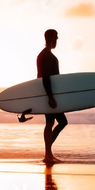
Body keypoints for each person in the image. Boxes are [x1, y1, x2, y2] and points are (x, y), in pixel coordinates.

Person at [37, 28, 67, 165]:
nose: (58, 39)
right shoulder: (46, 56)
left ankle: (48, 153)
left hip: (49, 94)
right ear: (51, 38)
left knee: (53, 122)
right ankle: (47, 154)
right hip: (48, 94)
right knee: (57, 122)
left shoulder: (46, 54)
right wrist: (50, 97)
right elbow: (45, 78)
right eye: (56, 37)